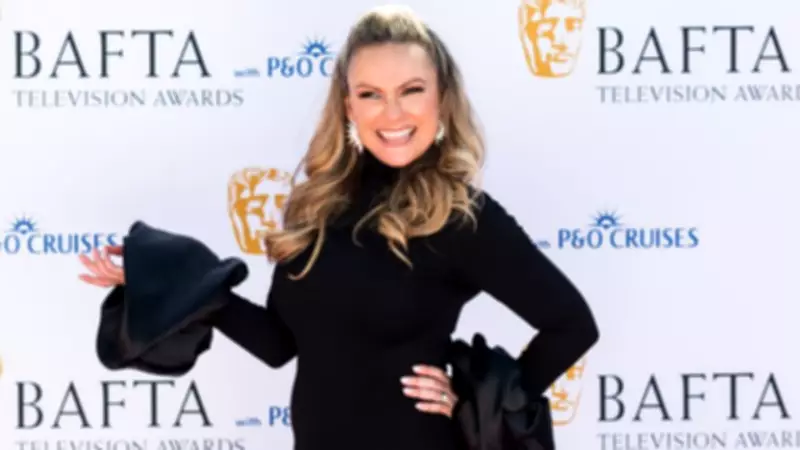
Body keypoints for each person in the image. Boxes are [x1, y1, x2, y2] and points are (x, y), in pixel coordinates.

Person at [78, 5, 599, 450]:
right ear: (349, 105)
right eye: (371, 94)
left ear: (441, 97)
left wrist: (476, 401)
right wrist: (166, 281)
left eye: (411, 90)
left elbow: (572, 325)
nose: (391, 112)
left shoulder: (461, 216)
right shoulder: (318, 206)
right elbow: (280, 345)